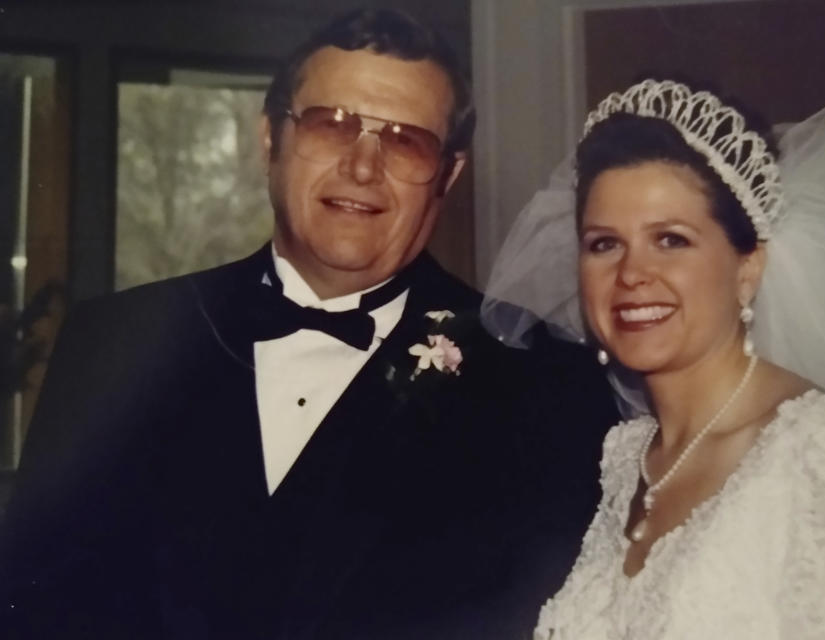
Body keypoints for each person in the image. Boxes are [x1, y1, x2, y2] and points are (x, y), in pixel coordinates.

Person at [0, 9, 618, 639]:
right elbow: (32, 603)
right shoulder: (114, 342)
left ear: (449, 175)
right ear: (269, 140)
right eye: (332, 126)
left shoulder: (541, 384)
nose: (362, 167)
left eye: (406, 140)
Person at [482, 79, 825, 638]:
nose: (632, 275)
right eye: (604, 244)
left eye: (671, 240)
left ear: (747, 267)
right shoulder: (625, 458)